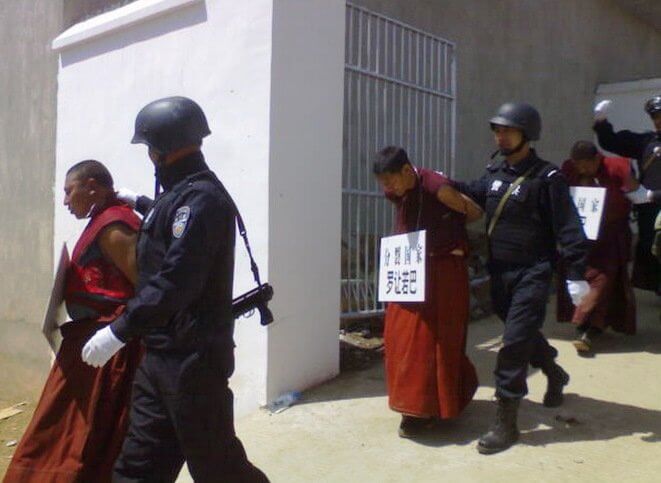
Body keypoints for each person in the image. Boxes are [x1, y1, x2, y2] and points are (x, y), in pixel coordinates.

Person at [80, 96, 268, 482]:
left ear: (158, 150)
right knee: (138, 466)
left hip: (194, 362)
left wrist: (119, 331)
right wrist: (142, 202)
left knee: (219, 469)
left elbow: (175, 282)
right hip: (161, 356)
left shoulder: (201, 199)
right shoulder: (182, 195)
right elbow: (174, 227)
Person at [455, 102, 590, 454]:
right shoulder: (495, 175)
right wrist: (436, 181)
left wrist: (576, 273)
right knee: (523, 333)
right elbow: (471, 190)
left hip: (534, 272)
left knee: (513, 343)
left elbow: (569, 226)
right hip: (499, 273)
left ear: (527, 135)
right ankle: (554, 373)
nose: (500, 136)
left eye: (508, 130)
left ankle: (506, 421)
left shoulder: (547, 179)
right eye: (497, 130)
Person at [4, 160, 143, 483]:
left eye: (70, 192)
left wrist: (114, 335)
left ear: (92, 186)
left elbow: (145, 286)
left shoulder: (113, 225)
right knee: (62, 433)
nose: (65, 201)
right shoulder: (103, 219)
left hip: (108, 351)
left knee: (81, 436)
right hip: (86, 343)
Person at [373, 146, 482, 438]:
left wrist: (451, 236)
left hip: (442, 271)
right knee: (401, 338)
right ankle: (411, 405)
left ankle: (437, 407)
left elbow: (473, 212)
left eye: (392, 180)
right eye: (383, 182)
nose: (388, 188)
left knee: (436, 338)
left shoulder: (438, 187)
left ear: (408, 171)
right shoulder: (395, 191)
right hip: (411, 269)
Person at [556, 141, 639, 353]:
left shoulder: (616, 167)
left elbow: (634, 191)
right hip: (581, 238)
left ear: (597, 160)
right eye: (578, 165)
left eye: (586, 165)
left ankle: (589, 329)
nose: (582, 169)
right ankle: (588, 324)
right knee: (578, 277)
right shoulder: (568, 170)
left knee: (602, 280)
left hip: (611, 235)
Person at [593, 96, 661, 293]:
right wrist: (601, 122)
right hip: (650, 212)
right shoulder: (646, 142)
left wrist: (651, 195)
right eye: (655, 117)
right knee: (651, 250)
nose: (658, 121)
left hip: (651, 199)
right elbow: (610, 142)